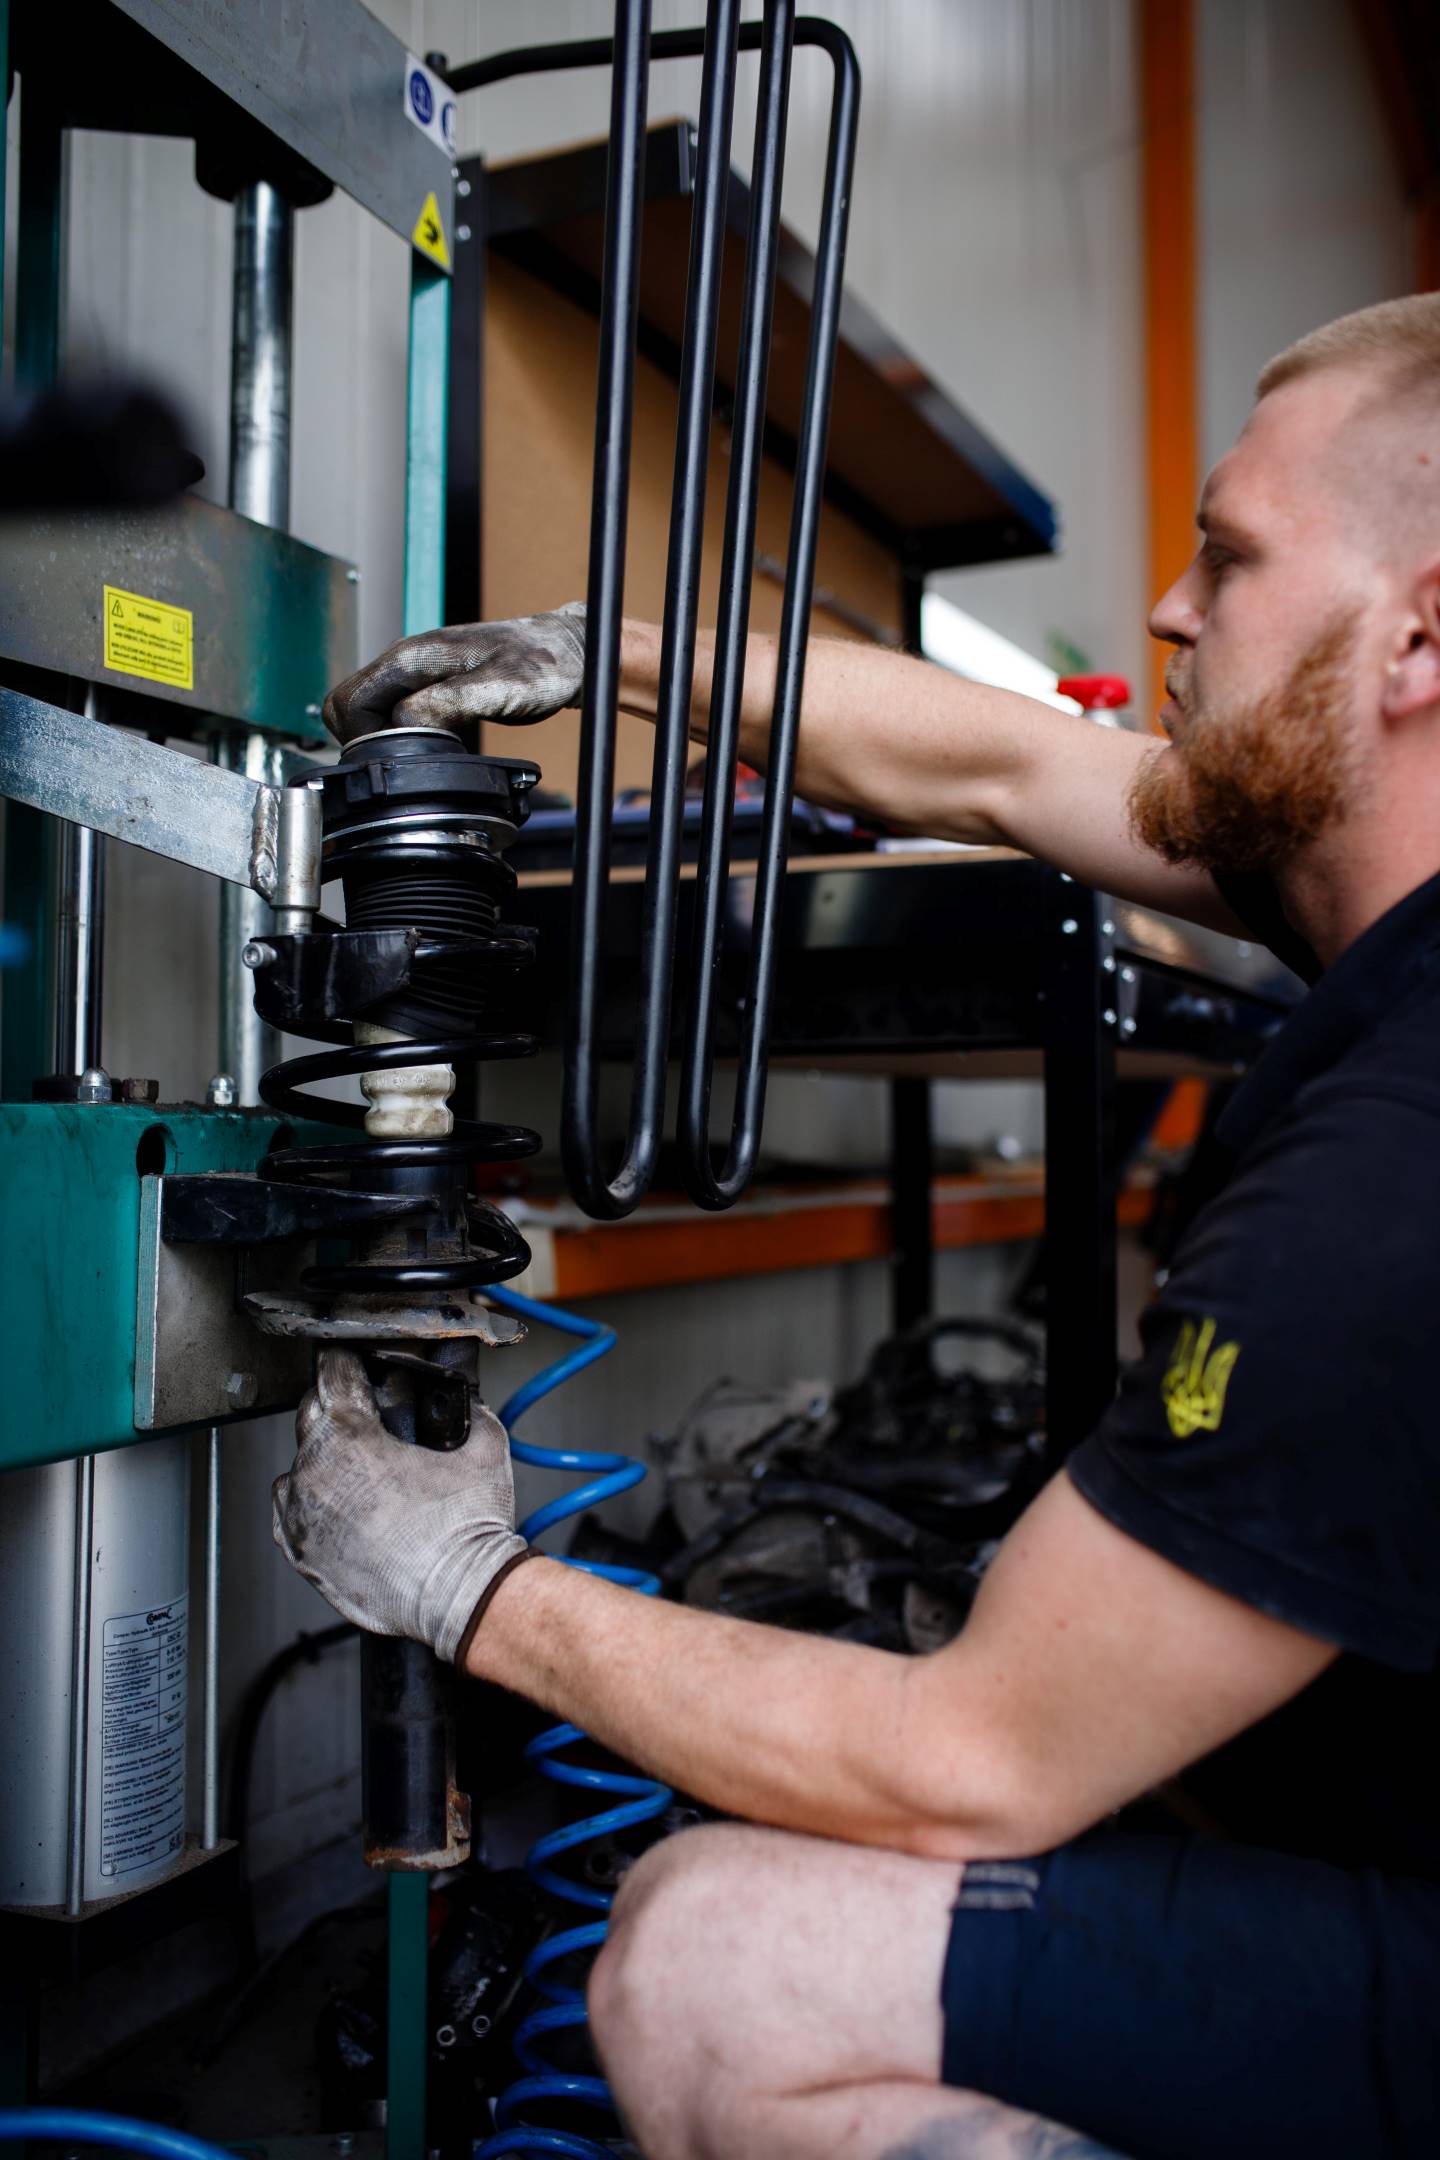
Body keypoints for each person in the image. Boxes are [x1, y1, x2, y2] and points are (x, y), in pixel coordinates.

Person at [273, 295, 1440, 2160]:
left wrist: (470, 1584)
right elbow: (999, 767)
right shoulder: (1375, 895)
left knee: (716, 1956)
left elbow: (975, 1761)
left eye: (1227, 555)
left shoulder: (1393, 1163)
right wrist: (609, 655)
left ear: (1418, 634)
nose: (1166, 607)